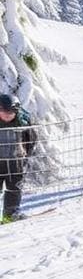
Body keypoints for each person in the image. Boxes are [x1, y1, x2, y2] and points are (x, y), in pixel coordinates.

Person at [0, 94, 36, 223]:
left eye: (11, 112)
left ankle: (10, 214)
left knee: (14, 188)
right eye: (4, 112)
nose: (8, 115)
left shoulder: (23, 122)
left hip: (16, 162)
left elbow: (31, 139)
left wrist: (26, 155)